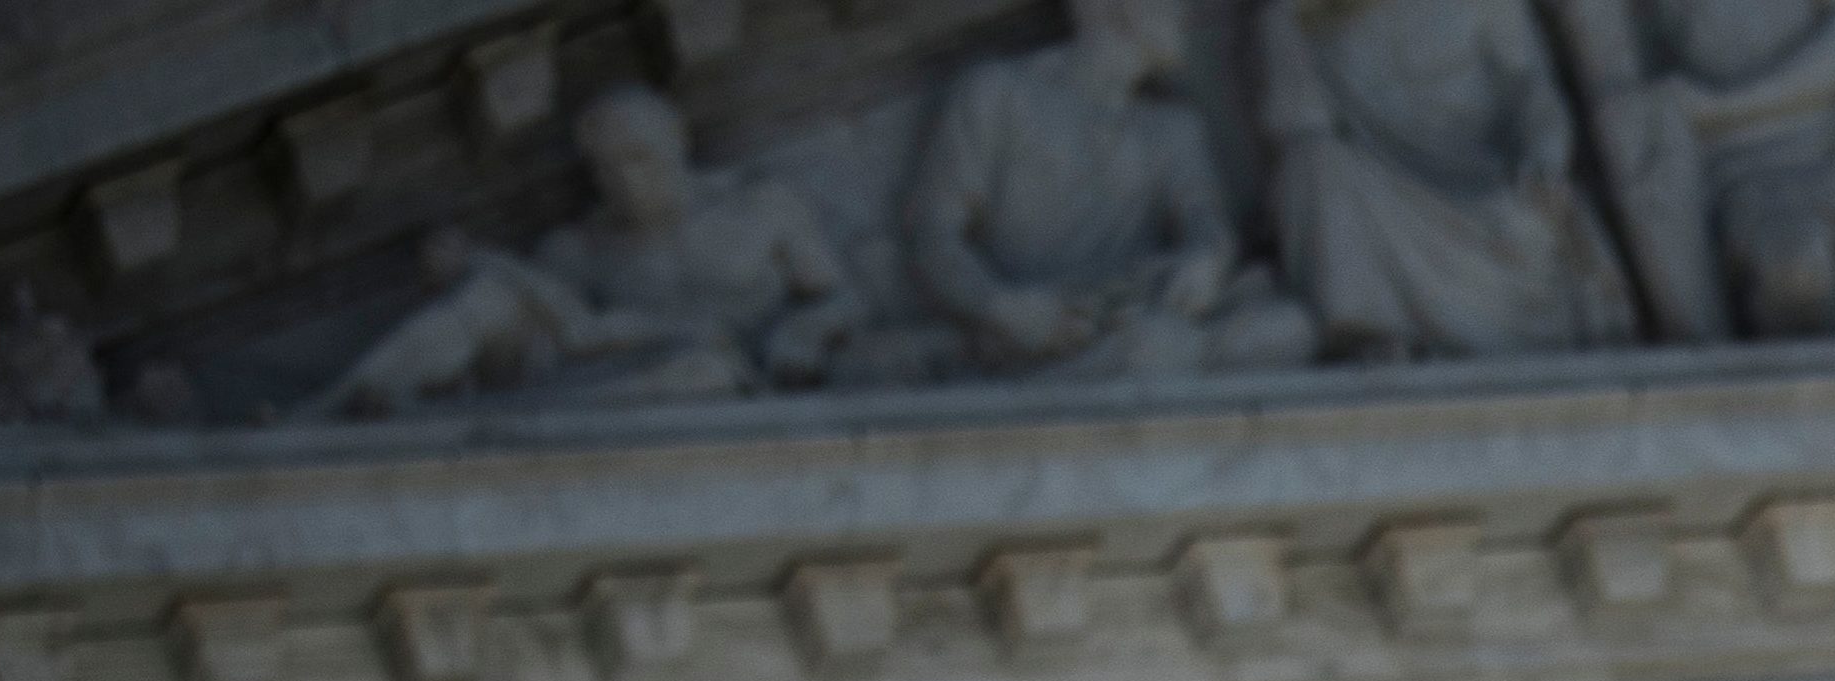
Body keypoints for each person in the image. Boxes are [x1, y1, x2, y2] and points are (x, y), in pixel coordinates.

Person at [308, 85, 876, 416]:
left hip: (714, 374)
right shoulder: (579, 249)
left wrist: (801, 333)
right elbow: (555, 326)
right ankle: (325, 412)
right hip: (604, 373)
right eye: (607, 171)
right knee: (491, 294)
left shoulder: (764, 207)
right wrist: (455, 270)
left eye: (640, 158)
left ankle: (459, 421)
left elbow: (844, 299)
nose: (628, 183)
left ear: (677, 139)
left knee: (695, 369)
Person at [901, 0, 1325, 373]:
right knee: (1154, 348)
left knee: (1289, 328)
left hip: (1134, 316)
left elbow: (1206, 224)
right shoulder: (998, 94)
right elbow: (933, 231)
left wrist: (1206, 263)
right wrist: (1004, 308)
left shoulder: (1170, 130)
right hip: (1028, 335)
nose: (1185, 14)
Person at [1575, 0, 1835, 335]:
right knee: (1796, 267)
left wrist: (1721, 107)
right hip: (1742, 179)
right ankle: (1707, 362)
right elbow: (1618, 92)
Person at [1266, 0, 1643, 356]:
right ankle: (1369, 333)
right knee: (1313, 165)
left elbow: (1535, 96)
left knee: (1532, 217)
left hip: (1483, 192)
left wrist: (1544, 155)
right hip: (1383, 191)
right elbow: (1293, 121)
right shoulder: (1313, 22)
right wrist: (1284, 27)